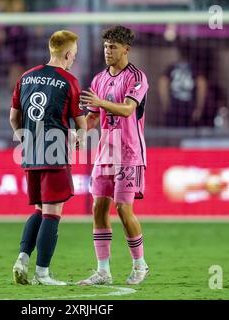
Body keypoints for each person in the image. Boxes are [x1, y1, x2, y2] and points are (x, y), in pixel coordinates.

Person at [9, 30, 86, 286]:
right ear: (67, 53)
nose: (74, 57)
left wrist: (24, 138)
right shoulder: (69, 81)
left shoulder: (26, 76)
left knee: (40, 210)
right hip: (55, 153)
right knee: (53, 213)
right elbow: (81, 123)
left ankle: (22, 257)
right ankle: (42, 273)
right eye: (74, 53)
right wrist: (79, 138)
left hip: (30, 153)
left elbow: (13, 117)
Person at [78, 25, 149, 286]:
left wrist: (100, 103)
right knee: (98, 208)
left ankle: (140, 265)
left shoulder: (137, 77)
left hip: (129, 153)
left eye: (113, 47)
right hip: (105, 152)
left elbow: (128, 110)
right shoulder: (99, 79)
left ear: (126, 49)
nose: (108, 51)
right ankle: (103, 271)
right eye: (106, 46)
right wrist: (79, 130)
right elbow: (94, 116)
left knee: (122, 208)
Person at [158, 40, 208, 127]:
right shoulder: (194, 68)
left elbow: (162, 83)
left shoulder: (172, 68)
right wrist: (199, 108)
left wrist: (166, 104)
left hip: (174, 110)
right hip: (189, 110)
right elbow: (202, 85)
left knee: (173, 136)